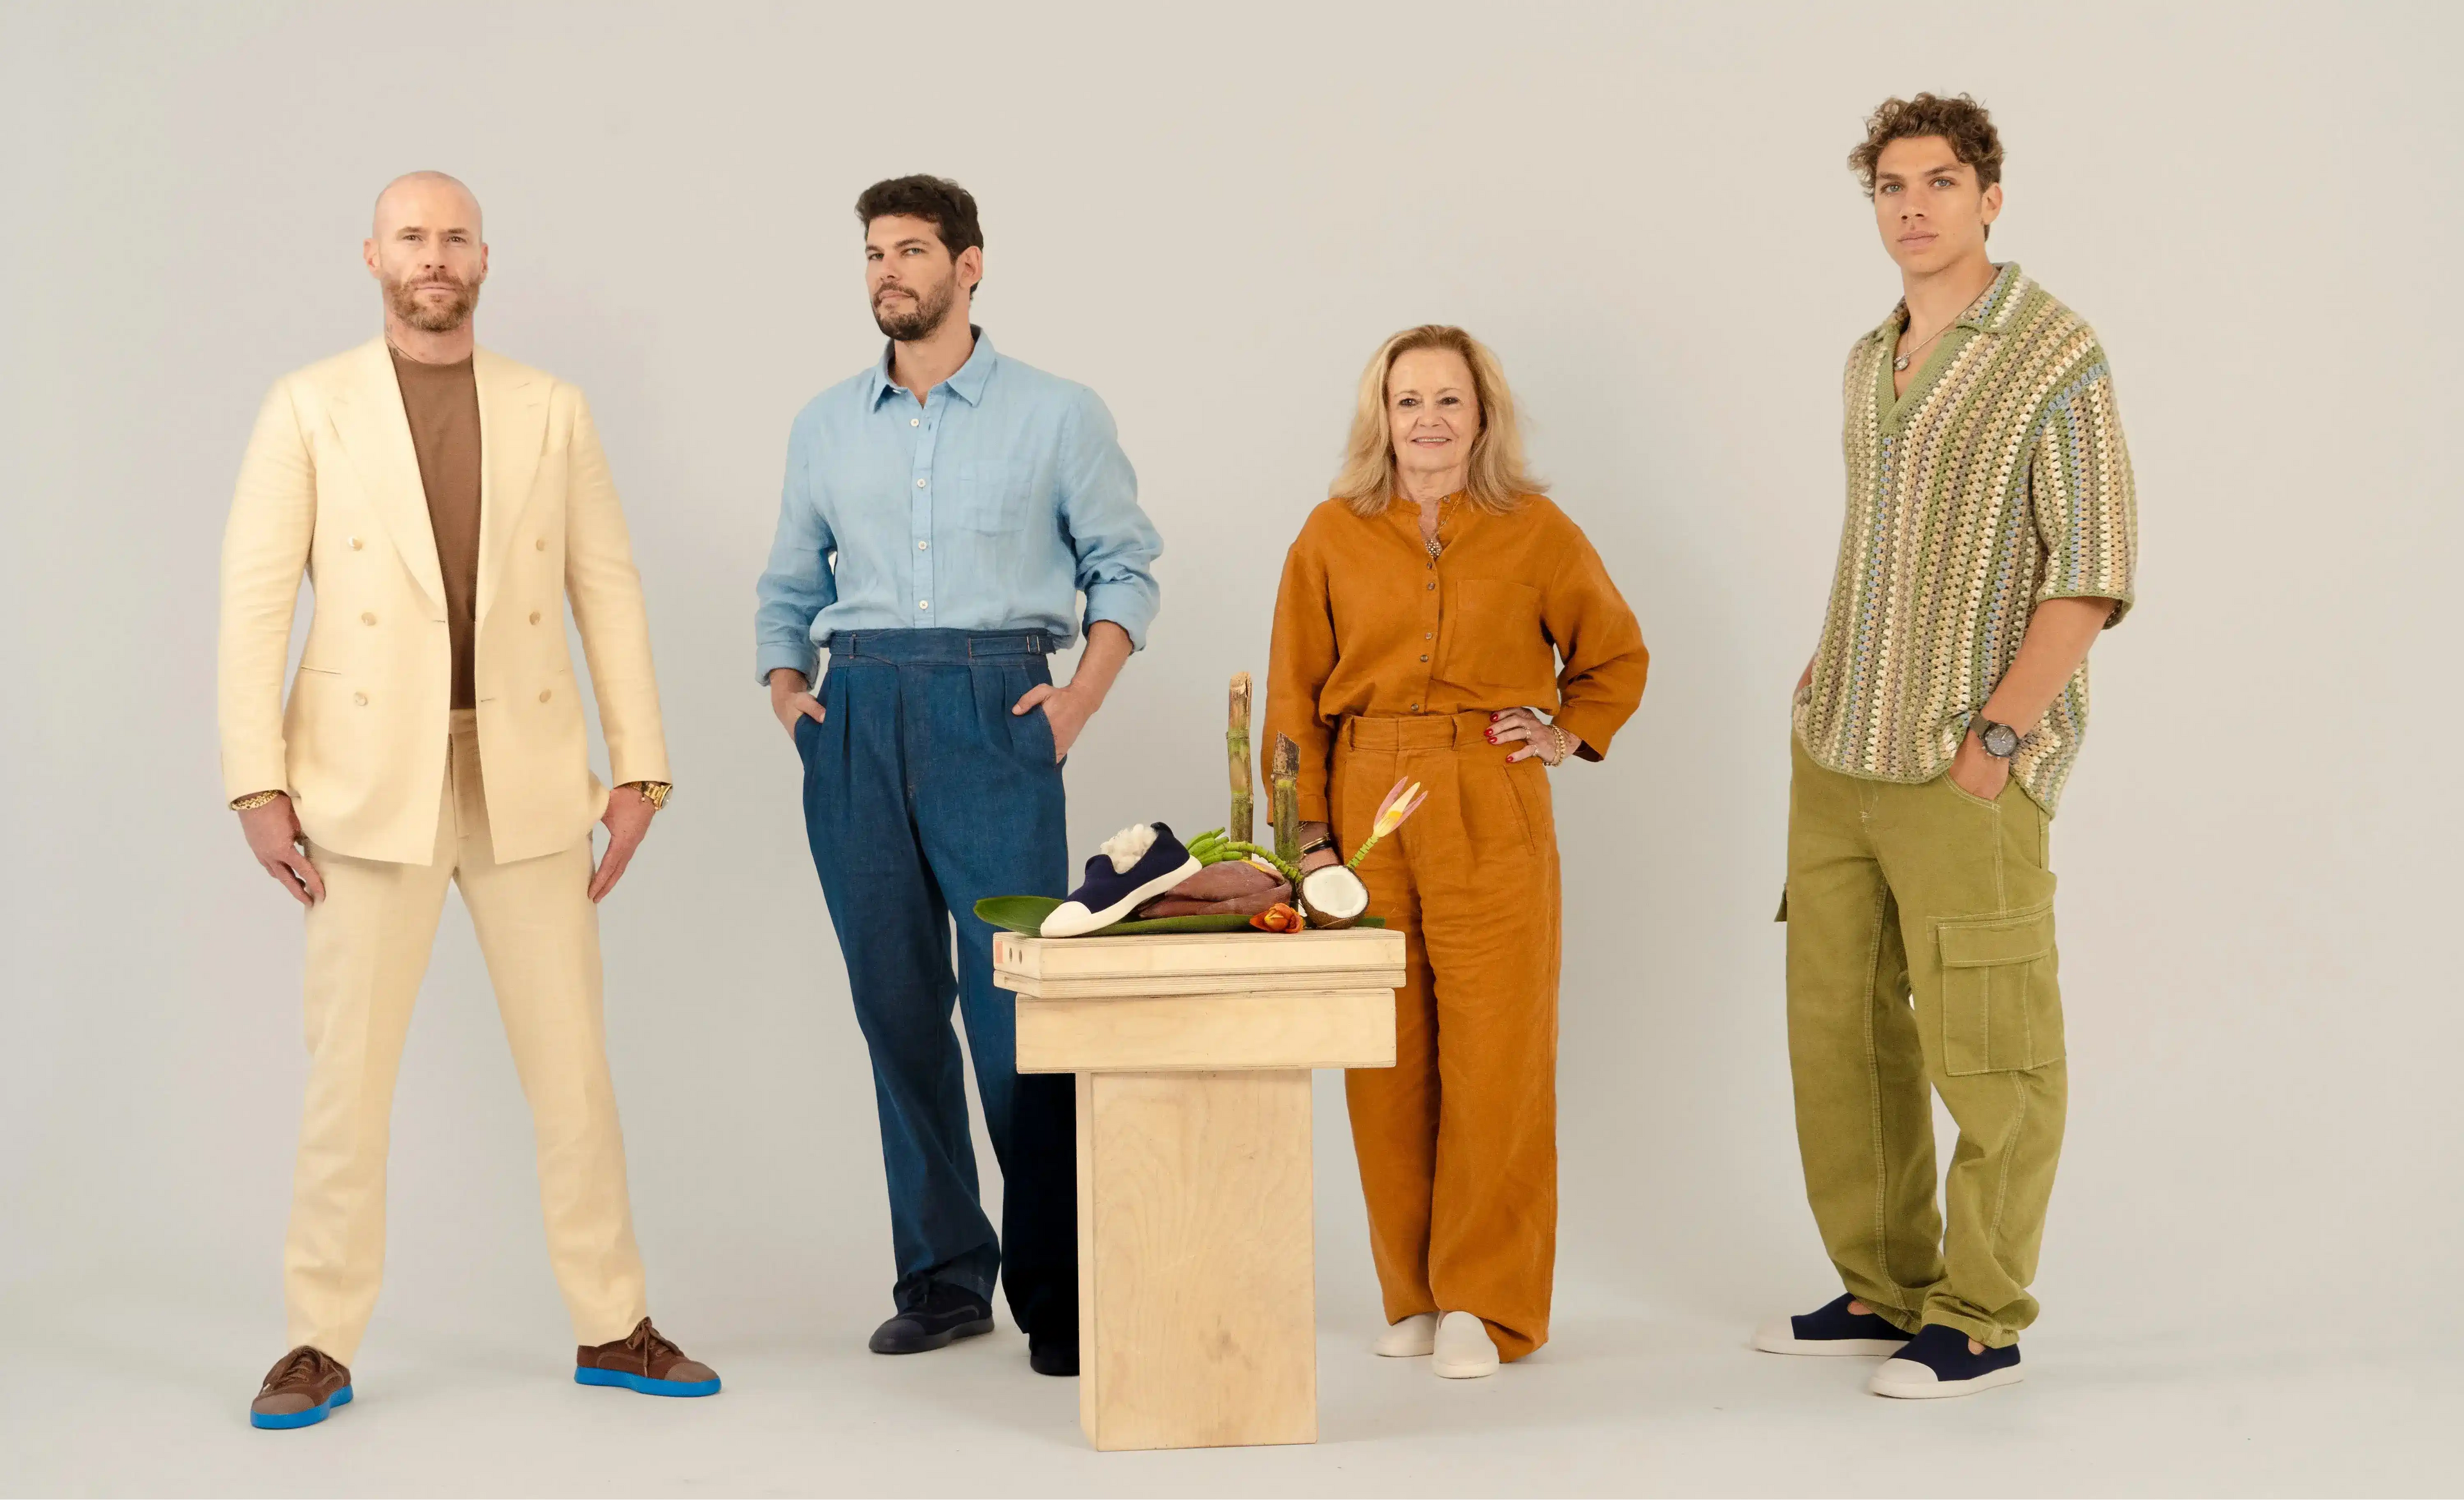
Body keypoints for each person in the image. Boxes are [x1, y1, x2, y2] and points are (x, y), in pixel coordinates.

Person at [219, 172, 716, 1429]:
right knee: (349, 1081)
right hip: (360, 782)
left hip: (533, 779)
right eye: (410, 237)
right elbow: (253, 601)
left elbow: (611, 587)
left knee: (574, 1073)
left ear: (483, 257)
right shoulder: (308, 407)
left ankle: (615, 1323)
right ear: (372, 255)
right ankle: (317, 1341)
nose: (432, 256)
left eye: (452, 237)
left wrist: (641, 767)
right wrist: (256, 781)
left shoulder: (552, 410)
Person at [1754, 94, 2138, 1399]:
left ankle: (1979, 1312)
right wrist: (1823, 660)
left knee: (1993, 1042)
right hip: (1841, 745)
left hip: (1960, 761)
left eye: (1939, 180)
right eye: (1890, 186)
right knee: (1842, 1036)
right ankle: (1883, 1283)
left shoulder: (2054, 351)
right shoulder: (1871, 356)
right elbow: (1884, 538)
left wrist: (2001, 732)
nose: (1911, 205)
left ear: (1990, 195)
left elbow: (2090, 573)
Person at [755, 175, 1162, 1379]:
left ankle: (1063, 1289)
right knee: (896, 1011)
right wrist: (794, 699)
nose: (890, 271)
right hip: (858, 712)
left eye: (914, 250)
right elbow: (789, 582)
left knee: (1016, 1013)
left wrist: (1076, 703)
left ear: (970, 266)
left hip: (997, 710)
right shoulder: (827, 423)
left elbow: (1125, 569)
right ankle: (942, 1278)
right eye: (876, 253)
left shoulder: (1057, 413)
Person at [1264, 325, 1648, 1379]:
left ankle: (1487, 1303)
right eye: (1407, 402)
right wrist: (1305, 832)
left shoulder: (1537, 530)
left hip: (1491, 792)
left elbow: (1614, 654)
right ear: (1379, 418)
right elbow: (1294, 690)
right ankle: (1416, 1294)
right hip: (1364, 797)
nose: (1427, 420)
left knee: (1496, 1054)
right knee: (1384, 1057)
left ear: (1483, 416)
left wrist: (1565, 729)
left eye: (1448, 400)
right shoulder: (1330, 533)